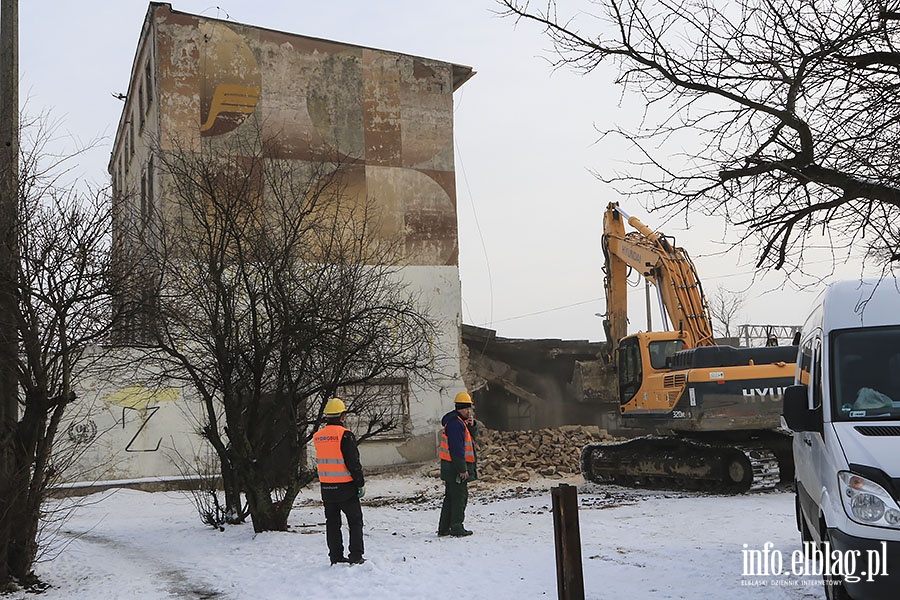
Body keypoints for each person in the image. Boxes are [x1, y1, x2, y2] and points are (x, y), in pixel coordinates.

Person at [313, 398, 366, 565]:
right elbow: (353, 462)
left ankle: (335, 556)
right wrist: (360, 483)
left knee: (332, 523)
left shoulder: (318, 436)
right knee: (355, 521)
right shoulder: (345, 435)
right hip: (346, 487)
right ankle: (356, 556)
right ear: (343, 416)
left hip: (327, 488)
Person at [437, 391, 477, 537]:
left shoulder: (459, 422)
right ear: (459, 409)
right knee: (459, 498)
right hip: (455, 469)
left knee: (450, 498)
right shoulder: (456, 424)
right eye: (466, 409)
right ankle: (456, 527)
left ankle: (444, 528)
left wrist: (472, 426)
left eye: (469, 408)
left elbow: (471, 438)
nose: (469, 411)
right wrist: (462, 469)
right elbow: (457, 449)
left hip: (450, 468)